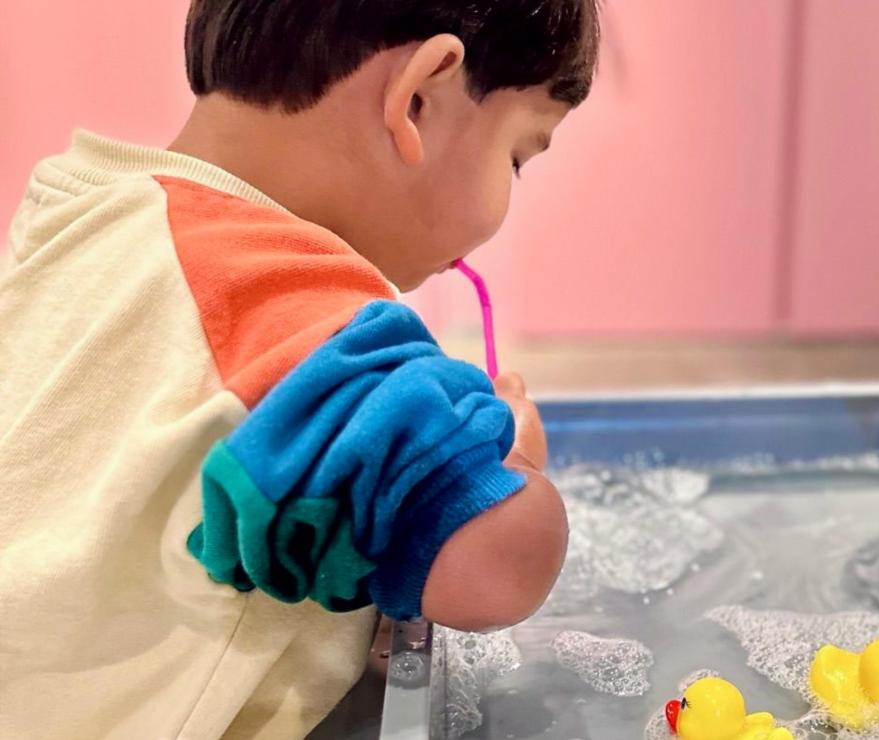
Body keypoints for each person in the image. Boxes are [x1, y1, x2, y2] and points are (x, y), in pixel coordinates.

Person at [0, 1, 598, 736]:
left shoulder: (81, 204)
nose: (508, 193)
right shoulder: (286, 299)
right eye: (516, 155)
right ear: (418, 97)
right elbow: (493, 568)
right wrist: (506, 454)